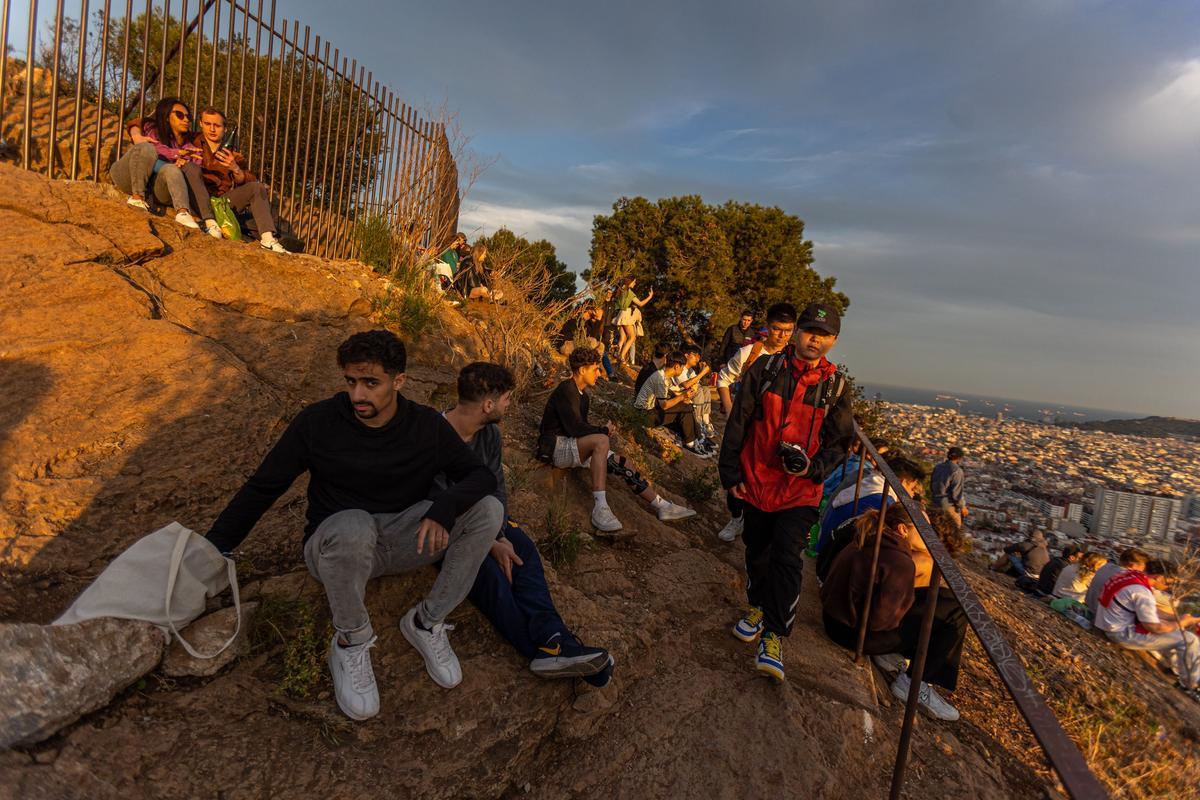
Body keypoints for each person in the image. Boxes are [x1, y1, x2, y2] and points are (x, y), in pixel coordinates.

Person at [205, 330, 503, 721]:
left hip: (399, 540)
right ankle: (351, 640)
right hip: (336, 545)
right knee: (354, 525)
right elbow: (264, 486)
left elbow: (480, 477)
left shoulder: (425, 426)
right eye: (351, 382)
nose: (358, 395)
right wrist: (212, 549)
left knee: (487, 509)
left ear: (399, 382)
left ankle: (426, 622)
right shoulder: (318, 422)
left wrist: (443, 508)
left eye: (371, 383)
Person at [438, 362, 613, 686]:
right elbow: (434, 502)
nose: (508, 405)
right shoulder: (434, 435)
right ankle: (542, 651)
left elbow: (496, 486)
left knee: (524, 551)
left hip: (487, 521)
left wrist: (500, 533)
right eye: (506, 399)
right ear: (488, 404)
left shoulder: (488, 433)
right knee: (491, 576)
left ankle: (556, 640)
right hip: (446, 531)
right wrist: (488, 543)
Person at [721, 303, 853, 681]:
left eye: (824, 335)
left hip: (800, 491)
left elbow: (839, 442)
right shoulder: (766, 371)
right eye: (810, 331)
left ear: (834, 341)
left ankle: (775, 635)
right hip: (758, 480)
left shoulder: (835, 387)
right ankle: (758, 606)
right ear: (796, 333)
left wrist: (814, 468)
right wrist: (730, 474)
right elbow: (739, 422)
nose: (815, 339)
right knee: (757, 549)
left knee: (787, 557)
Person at [819, 506, 962, 721]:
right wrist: (911, 614)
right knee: (956, 613)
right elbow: (882, 622)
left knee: (946, 600)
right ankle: (915, 683)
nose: (929, 535)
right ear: (904, 529)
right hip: (850, 633)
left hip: (835, 617)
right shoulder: (899, 561)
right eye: (924, 529)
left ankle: (914, 670)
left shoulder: (876, 535)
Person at [536, 347, 695, 532]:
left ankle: (662, 506)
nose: (599, 372)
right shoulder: (566, 389)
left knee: (623, 463)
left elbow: (580, 429)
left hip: (573, 445)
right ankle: (600, 508)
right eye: (595, 369)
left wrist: (600, 432)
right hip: (555, 447)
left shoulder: (584, 397)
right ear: (581, 370)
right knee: (601, 440)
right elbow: (576, 428)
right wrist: (603, 430)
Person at [713, 302, 799, 543]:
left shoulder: (794, 359)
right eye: (777, 329)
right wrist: (731, 412)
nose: (782, 336)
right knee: (737, 471)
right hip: (746, 425)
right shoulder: (749, 353)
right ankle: (736, 517)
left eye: (788, 330)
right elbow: (723, 379)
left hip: (777, 430)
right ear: (767, 327)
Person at [191, 107, 289, 254]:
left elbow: (250, 180)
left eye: (217, 125)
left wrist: (235, 169)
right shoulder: (191, 142)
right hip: (196, 198)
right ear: (200, 123)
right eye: (207, 124)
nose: (212, 129)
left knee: (256, 188)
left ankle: (268, 240)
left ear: (225, 129)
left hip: (221, 203)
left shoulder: (235, 156)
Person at [814, 455, 927, 582]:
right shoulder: (883, 501)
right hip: (831, 570)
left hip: (825, 552)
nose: (912, 494)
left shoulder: (870, 481)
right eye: (912, 489)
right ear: (901, 482)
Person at [1095, 559, 1200, 693]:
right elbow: (1154, 627)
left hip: (1108, 622)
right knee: (1189, 640)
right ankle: (1190, 686)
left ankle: (1179, 671)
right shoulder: (1142, 592)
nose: (1168, 587)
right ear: (1159, 577)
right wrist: (1182, 623)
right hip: (1120, 633)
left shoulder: (1130, 576)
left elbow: (1149, 610)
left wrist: (1176, 618)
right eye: (1168, 583)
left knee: (1176, 628)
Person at [109, 97, 211, 232]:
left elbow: (197, 164)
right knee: (147, 148)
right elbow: (149, 144)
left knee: (172, 170)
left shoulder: (189, 146)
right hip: (129, 175)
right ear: (167, 116)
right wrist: (176, 154)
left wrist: (184, 162)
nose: (186, 120)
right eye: (180, 115)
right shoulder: (150, 129)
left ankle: (183, 213)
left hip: (155, 188)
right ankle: (137, 198)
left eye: (188, 116)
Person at [632, 351, 712, 458]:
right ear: (677, 366)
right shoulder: (660, 379)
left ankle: (693, 439)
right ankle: (692, 442)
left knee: (685, 407)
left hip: (649, 410)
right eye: (682, 367)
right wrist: (682, 397)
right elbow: (664, 405)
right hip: (644, 415)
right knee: (685, 407)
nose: (683, 370)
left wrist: (682, 398)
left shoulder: (663, 375)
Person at [1085, 547, 1149, 617]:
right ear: (1133, 565)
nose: (1142, 571)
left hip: (1089, 608)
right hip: (1102, 616)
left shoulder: (1106, 567)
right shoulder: (1126, 577)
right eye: (1142, 567)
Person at [674, 343, 715, 442]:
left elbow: (698, 383)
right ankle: (698, 423)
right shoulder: (680, 367)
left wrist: (702, 372)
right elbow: (687, 385)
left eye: (699, 356)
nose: (698, 358)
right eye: (695, 355)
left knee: (705, 389)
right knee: (699, 391)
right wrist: (702, 373)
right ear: (686, 355)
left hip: (686, 395)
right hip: (677, 396)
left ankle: (705, 421)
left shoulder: (690, 370)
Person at [614, 276, 653, 365]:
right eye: (634, 282)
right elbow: (640, 304)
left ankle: (616, 353)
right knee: (632, 337)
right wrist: (650, 296)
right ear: (630, 282)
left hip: (620, 314)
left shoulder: (621, 290)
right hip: (627, 314)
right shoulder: (629, 292)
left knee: (622, 338)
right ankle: (622, 356)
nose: (635, 283)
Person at [930, 447, 968, 527]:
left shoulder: (938, 467)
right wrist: (962, 507)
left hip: (934, 502)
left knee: (935, 528)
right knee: (954, 531)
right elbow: (957, 493)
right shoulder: (957, 471)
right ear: (959, 458)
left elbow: (932, 484)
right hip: (948, 506)